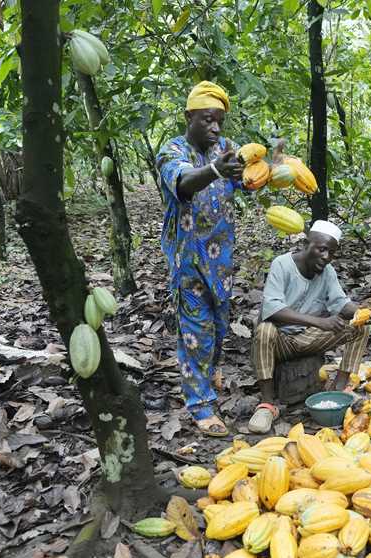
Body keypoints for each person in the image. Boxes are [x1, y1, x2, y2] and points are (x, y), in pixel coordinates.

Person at [156, 81, 245, 437]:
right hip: (188, 260)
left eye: (219, 121)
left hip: (221, 258)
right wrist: (216, 170)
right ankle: (200, 404)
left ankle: (208, 373)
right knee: (196, 332)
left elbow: (246, 181)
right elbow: (183, 183)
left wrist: (271, 165)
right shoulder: (171, 150)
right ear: (189, 116)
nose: (215, 128)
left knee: (219, 327)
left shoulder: (224, 148)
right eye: (208, 119)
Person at [248, 220, 370, 434]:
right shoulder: (282, 264)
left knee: (359, 328)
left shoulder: (327, 271)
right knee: (265, 329)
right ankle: (267, 405)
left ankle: (340, 389)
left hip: (308, 339)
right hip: (280, 341)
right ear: (306, 244)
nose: (326, 257)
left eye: (331, 253)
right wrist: (320, 322)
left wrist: (360, 311)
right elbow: (273, 310)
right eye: (322, 249)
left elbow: (339, 302)